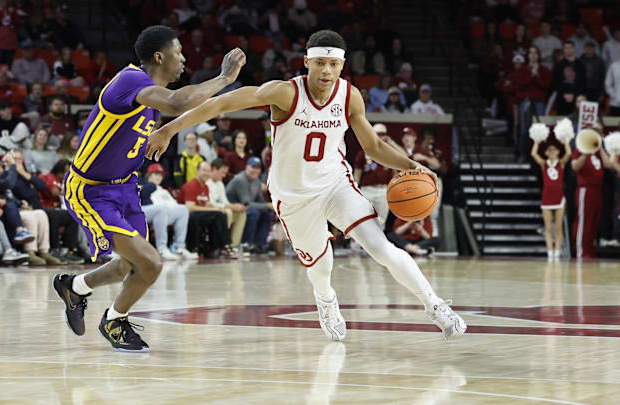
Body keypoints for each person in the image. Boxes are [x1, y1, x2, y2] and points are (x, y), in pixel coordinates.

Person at [147, 29, 466, 342]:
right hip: (294, 196)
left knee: (381, 248)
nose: (327, 70)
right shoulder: (285, 92)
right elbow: (220, 105)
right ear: (306, 63)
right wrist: (169, 129)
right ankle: (326, 300)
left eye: (333, 64)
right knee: (321, 264)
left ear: (342, 65)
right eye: (320, 63)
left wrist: (412, 165)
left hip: (335, 184)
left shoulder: (349, 95)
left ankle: (435, 305)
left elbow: (373, 147)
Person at [51, 25, 245, 352]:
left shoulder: (150, 95)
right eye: (179, 52)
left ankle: (76, 287)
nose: (183, 59)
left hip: (124, 187)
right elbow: (179, 101)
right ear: (159, 56)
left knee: (131, 264)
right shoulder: (130, 81)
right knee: (152, 263)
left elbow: (172, 108)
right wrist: (224, 78)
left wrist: (165, 132)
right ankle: (114, 320)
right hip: (89, 190)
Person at [139, 163, 197, 260]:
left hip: (165, 214)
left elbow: (175, 205)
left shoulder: (164, 191)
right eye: (156, 174)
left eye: (161, 175)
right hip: (152, 213)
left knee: (183, 209)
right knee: (161, 209)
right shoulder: (145, 186)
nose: (159, 177)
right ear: (149, 175)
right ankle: (162, 249)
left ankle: (179, 247)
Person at [180, 161, 235, 257]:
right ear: (197, 171)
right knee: (217, 214)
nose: (206, 173)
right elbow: (190, 207)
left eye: (208, 171)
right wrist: (214, 210)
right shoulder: (191, 185)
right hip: (187, 216)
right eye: (203, 170)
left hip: (199, 215)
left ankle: (216, 248)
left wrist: (217, 208)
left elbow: (207, 203)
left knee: (221, 213)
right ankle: (224, 245)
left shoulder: (205, 186)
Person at [571, 134, 613, 258]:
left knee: (594, 221)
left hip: (598, 190)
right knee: (584, 221)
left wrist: (600, 148)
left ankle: (589, 250)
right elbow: (574, 166)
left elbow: (608, 164)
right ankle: (580, 251)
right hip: (585, 189)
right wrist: (585, 151)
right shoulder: (579, 150)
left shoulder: (599, 152)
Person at [38, 159, 86, 264]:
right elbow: (54, 191)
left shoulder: (64, 181)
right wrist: (64, 191)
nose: (67, 174)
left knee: (73, 216)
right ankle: (55, 249)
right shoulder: (50, 177)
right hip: (45, 208)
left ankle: (67, 249)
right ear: (59, 170)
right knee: (56, 216)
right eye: (65, 171)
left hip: (59, 209)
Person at [531, 139, 572, 259]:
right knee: (548, 227)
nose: (552, 152)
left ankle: (557, 251)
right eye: (549, 150)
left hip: (559, 197)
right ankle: (550, 252)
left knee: (559, 227)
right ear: (546, 153)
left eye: (554, 149)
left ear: (558, 151)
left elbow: (569, 153)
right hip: (547, 197)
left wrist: (566, 141)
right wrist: (536, 141)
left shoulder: (561, 163)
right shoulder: (544, 164)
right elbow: (533, 154)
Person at [226, 157, 274, 254]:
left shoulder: (256, 181)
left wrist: (270, 207)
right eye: (253, 167)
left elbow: (260, 200)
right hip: (233, 209)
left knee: (267, 214)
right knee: (254, 213)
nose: (255, 170)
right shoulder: (240, 180)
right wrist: (268, 205)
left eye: (258, 168)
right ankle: (246, 243)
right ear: (246, 167)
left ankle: (260, 244)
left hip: (244, 209)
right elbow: (246, 203)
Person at [353, 123, 396, 230]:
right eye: (377, 134)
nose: (379, 137)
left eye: (382, 135)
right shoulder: (363, 153)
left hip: (383, 190)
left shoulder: (390, 152)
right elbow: (357, 173)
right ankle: (357, 245)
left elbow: (396, 172)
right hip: (367, 190)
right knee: (363, 219)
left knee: (381, 222)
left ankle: (378, 245)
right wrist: (354, 190)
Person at [207, 158, 246, 249]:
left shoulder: (220, 183)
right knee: (227, 212)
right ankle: (223, 244)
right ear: (214, 169)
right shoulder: (207, 182)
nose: (224, 176)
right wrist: (229, 206)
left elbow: (224, 201)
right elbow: (210, 203)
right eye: (222, 172)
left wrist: (235, 207)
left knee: (241, 214)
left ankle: (232, 245)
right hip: (209, 211)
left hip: (220, 209)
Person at [605, 46, 620, 116]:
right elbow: (608, 84)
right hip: (616, 104)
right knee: (615, 125)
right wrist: (614, 95)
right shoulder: (614, 66)